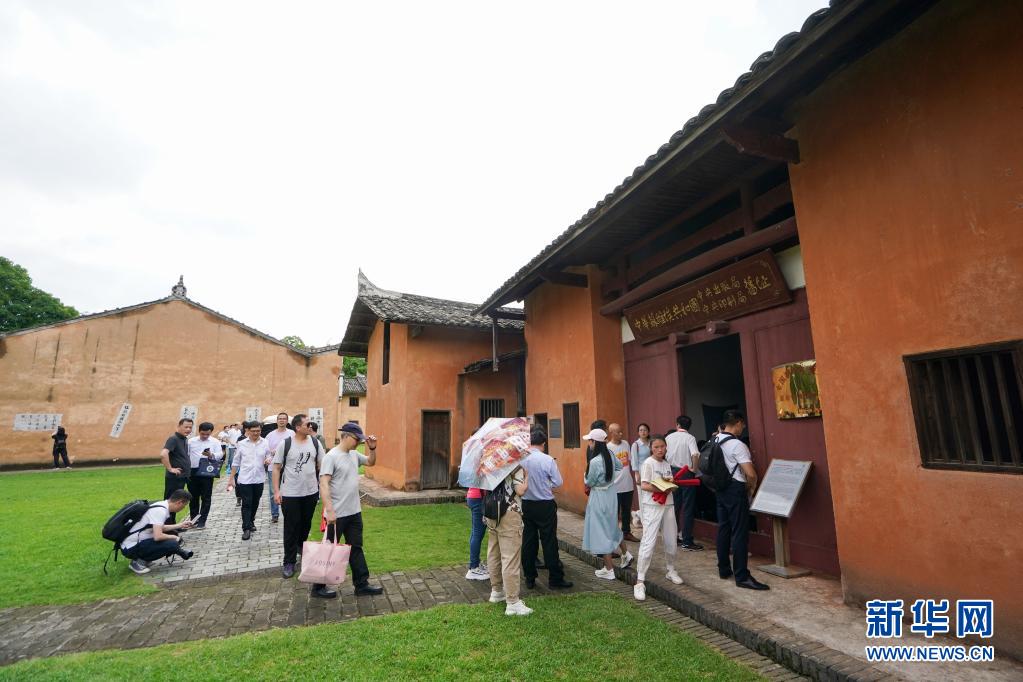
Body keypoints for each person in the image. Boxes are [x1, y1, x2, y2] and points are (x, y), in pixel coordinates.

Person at [313, 421, 384, 598]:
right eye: (356, 439)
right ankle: (318, 587)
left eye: (360, 439)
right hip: (336, 514)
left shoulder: (353, 454)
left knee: (356, 548)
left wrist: (373, 449)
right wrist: (330, 511)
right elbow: (323, 484)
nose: (359, 442)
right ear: (345, 436)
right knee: (328, 549)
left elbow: (370, 462)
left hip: (354, 512)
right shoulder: (331, 456)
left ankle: (361, 585)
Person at [714, 410, 769, 591]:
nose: (743, 427)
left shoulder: (715, 440)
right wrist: (751, 488)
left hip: (720, 488)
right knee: (739, 532)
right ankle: (742, 576)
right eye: (742, 424)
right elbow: (750, 473)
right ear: (737, 423)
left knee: (724, 528)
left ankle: (723, 569)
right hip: (735, 489)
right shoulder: (737, 445)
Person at [519, 427, 572, 590]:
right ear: (543, 443)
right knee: (549, 541)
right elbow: (558, 482)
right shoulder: (547, 460)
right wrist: (545, 483)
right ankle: (555, 578)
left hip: (527, 503)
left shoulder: (521, 459)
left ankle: (529, 577)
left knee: (528, 540)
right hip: (545, 504)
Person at [633, 435, 685, 600]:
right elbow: (644, 484)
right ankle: (640, 581)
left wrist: (671, 486)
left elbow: (670, 485)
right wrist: (662, 487)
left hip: (668, 505)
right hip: (652, 506)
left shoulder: (666, 464)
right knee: (648, 541)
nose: (660, 450)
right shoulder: (648, 463)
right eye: (656, 447)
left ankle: (671, 569)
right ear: (651, 448)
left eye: (662, 446)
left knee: (671, 540)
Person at [273, 414, 323, 579]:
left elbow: (322, 465)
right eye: (307, 424)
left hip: (310, 492)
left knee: (305, 525)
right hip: (290, 493)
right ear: (298, 427)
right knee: (291, 527)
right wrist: (276, 491)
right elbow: (276, 468)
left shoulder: (315, 443)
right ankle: (289, 561)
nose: (311, 426)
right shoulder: (286, 444)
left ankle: (301, 548)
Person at [582, 428, 632, 579]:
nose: (589, 443)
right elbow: (619, 466)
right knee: (611, 525)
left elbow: (590, 481)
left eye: (590, 441)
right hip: (611, 494)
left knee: (601, 530)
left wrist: (585, 477)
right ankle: (626, 554)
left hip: (599, 496)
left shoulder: (595, 461)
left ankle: (609, 569)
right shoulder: (609, 453)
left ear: (595, 442)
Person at [486, 464, 532, 616]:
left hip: (492, 510)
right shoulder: (514, 466)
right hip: (509, 512)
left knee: (494, 552)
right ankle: (512, 602)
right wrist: (526, 477)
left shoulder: (490, 465)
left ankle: (496, 591)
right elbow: (520, 490)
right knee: (510, 557)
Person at [120, 489, 195, 575]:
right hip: (131, 547)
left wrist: (180, 525)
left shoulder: (161, 505)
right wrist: (175, 538)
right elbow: (158, 536)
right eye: (184, 505)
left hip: (131, 544)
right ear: (179, 502)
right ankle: (137, 563)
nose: (183, 508)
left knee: (171, 539)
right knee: (172, 544)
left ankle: (144, 559)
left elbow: (159, 528)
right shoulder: (160, 511)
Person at [226, 421, 273, 540]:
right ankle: (246, 528)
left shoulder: (265, 442)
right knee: (247, 503)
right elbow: (236, 462)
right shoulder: (241, 444)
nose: (256, 433)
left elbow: (269, 455)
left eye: (258, 431)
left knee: (255, 502)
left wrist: (268, 459)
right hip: (245, 478)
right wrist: (231, 479)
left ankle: (251, 521)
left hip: (259, 478)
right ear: (248, 431)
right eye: (253, 431)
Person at [666, 415, 703, 551]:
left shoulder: (669, 437)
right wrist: (694, 469)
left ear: (677, 425)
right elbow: (695, 454)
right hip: (686, 472)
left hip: (672, 472)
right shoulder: (690, 438)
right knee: (688, 507)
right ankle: (687, 540)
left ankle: (673, 537)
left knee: (674, 506)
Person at [607, 423, 638, 542]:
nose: (621, 434)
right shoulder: (608, 448)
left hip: (627, 484)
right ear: (611, 433)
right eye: (618, 432)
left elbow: (630, 461)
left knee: (626, 511)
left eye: (621, 431)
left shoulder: (625, 444)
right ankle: (614, 535)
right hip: (614, 486)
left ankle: (626, 533)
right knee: (614, 512)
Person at [186, 422, 221, 529]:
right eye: (203, 434)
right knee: (193, 497)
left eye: (207, 434)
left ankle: (202, 520)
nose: (205, 436)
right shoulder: (191, 441)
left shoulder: (215, 442)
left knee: (206, 497)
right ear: (199, 431)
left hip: (207, 471)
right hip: (193, 471)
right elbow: (186, 455)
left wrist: (211, 455)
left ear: (211, 432)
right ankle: (194, 519)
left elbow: (220, 455)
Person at [159, 418, 193, 523]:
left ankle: (172, 525)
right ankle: (167, 526)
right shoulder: (173, 439)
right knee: (171, 502)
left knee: (177, 502)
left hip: (182, 476)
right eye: (186, 427)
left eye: (190, 427)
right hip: (174, 477)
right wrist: (170, 468)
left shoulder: (184, 439)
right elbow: (163, 454)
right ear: (178, 426)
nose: (188, 429)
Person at [264, 412, 292, 523]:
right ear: (277, 421)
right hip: (273, 466)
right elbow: (266, 451)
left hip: (288, 467)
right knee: (273, 492)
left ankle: (287, 513)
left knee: (288, 491)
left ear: (287, 421)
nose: (282, 420)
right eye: (280, 419)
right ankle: (274, 514)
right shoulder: (270, 435)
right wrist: (268, 457)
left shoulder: (292, 434)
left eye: (284, 419)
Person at [464, 486, 488, 580]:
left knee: (476, 533)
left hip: (474, 497)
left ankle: (475, 563)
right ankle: (474, 568)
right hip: (478, 498)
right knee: (477, 534)